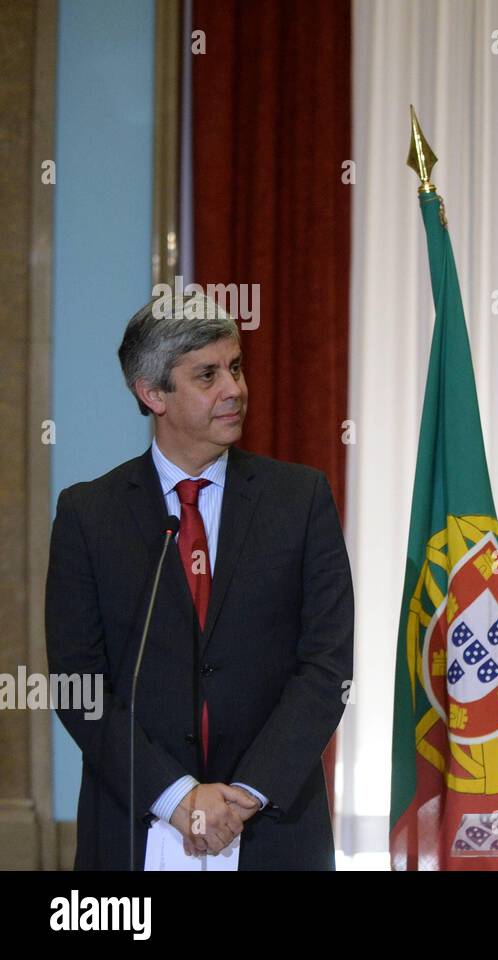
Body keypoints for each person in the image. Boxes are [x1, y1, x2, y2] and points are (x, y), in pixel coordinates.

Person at [46, 292, 354, 869]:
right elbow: (76, 684)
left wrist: (245, 796)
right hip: (135, 825)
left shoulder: (300, 499)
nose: (233, 389)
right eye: (207, 375)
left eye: (235, 368)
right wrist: (175, 795)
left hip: (274, 827)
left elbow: (327, 666)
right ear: (152, 393)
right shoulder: (89, 515)